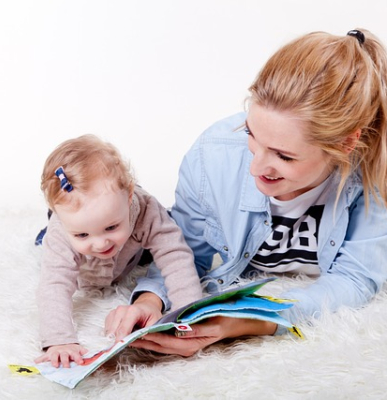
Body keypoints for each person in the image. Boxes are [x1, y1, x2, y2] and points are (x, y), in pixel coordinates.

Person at [105, 28, 387, 357]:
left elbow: (354, 280)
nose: (256, 168)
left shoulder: (374, 172)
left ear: (346, 144)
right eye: (251, 134)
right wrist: (150, 299)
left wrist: (251, 321)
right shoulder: (212, 156)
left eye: (284, 156)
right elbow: (182, 250)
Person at [34, 134, 203, 367]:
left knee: (167, 230)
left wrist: (190, 312)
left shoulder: (144, 208)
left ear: (130, 195)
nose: (101, 244)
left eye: (111, 227)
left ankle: (122, 231)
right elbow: (54, 284)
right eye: (82, 234)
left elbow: (175, 255)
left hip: (130, 253)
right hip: (84, 263)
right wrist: (59, 340)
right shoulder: (61, 232)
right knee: (49, 246)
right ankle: (48, 233)